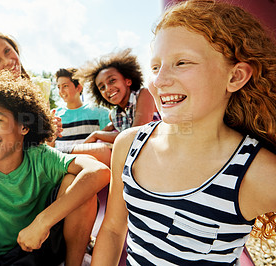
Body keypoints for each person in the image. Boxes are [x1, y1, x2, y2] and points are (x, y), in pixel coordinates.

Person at [91, 0, 276, 265]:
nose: (159, 80)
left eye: (182, 62)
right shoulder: (128, 144)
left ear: (235, 77)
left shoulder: (256, 172)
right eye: (155, 67)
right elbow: (112, 230)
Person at [0, 70, 110, 266]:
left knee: (75, 182)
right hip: (10, 257)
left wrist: (42, 222)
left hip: (50, 242)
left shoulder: (39, 155)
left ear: (24, 126)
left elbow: (98, 171)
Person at [0, 28, 61, 141]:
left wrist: (49, 132)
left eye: (7, 51)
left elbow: (45, 145)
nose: (8, 61)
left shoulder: (39, 88)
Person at [76, 48, 159, 145]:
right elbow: (99, 136)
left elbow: (137, 134)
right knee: (99, 144)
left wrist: (96, 134)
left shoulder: (144, 94)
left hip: (158, 150)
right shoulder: (114, 115)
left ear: (128, 81)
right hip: (134, 155)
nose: (107, 89)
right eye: (102, 87)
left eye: (112, 80)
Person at [50, 67, 112, 166]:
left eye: (65, 86)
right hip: (62, 166)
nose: (61, 91)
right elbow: (49, 148)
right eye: (58, 87)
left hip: (91, 166)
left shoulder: (100, 112)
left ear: (78, 87)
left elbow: (109, 145)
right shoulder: (54, 115)